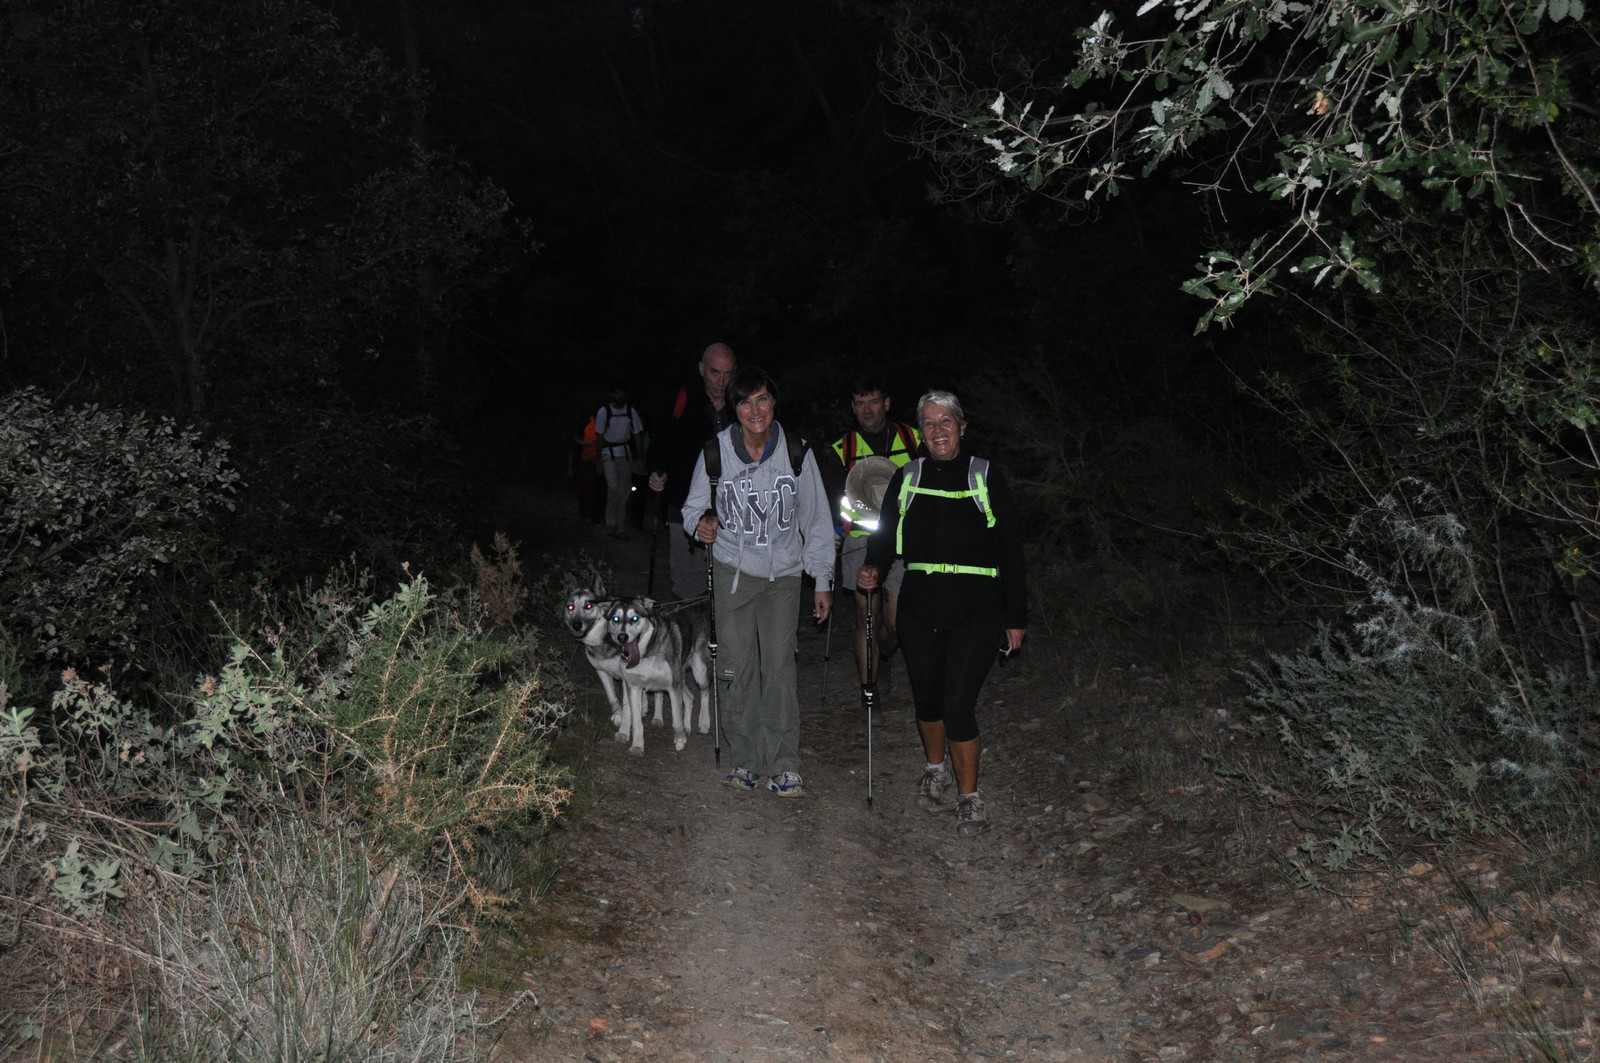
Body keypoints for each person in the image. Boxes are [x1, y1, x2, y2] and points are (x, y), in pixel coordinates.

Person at [858, 390, 1027, 836]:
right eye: (929, 423)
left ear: (961, 427)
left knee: (958, 703)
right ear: (920, 432)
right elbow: (885, 533)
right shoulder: (908, 477)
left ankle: (970, 798)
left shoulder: (984, 475)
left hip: (977, 607)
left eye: (946, 421)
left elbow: (1011, 549)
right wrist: (873, 566)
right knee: (928, 697)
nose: (938, 430)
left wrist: (1016, 616)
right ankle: (935, 769)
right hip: (919, 605)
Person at [683, 366, 834, 798]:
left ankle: (785, 764)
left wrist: (821, 579)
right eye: (745, 401)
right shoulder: (716, 453)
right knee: (736, 667)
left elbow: (816, 520)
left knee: (780, 668)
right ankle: (746, 759)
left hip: (783, 576)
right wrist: (702, 526)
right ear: (734, 408)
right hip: (732, 572)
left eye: (763, 399)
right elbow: (693, 508)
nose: (755, 410)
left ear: (774, 403)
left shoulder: (796, 452)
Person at [822, 376, 921, 695]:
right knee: (866, 617)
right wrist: (834, 532)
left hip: (904, 542)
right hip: (861, 541)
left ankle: (884, 655)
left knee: (895, 624)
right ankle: (870, 691)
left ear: (886, 403)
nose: (867, 410)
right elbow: (833, 501)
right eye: (860, 403)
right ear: (853, 408)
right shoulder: (843, 449)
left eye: (874, 402)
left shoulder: (914, 439)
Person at [648, 342, 737, 599]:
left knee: (729, 582)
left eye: (727, 373)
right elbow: (660, 442)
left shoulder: (742, 405)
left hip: (732, 509)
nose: (721, 381)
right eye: (715, 372)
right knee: (687, 580)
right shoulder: (682, 401)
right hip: (684, 504)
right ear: (701, 369)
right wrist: (657, 471)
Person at [595, 385, 645, 539]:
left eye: (621, 392)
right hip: (608, 453)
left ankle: (621, 525)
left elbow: (637, 435)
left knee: (625, 489)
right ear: (612, 394)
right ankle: (611, 523)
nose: (619, 396)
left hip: (624, 453)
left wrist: (641, 458)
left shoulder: (631, 411)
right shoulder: (604, 411)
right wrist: (598, 461)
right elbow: (599, 437)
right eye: (616, 393)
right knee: (613, 487)